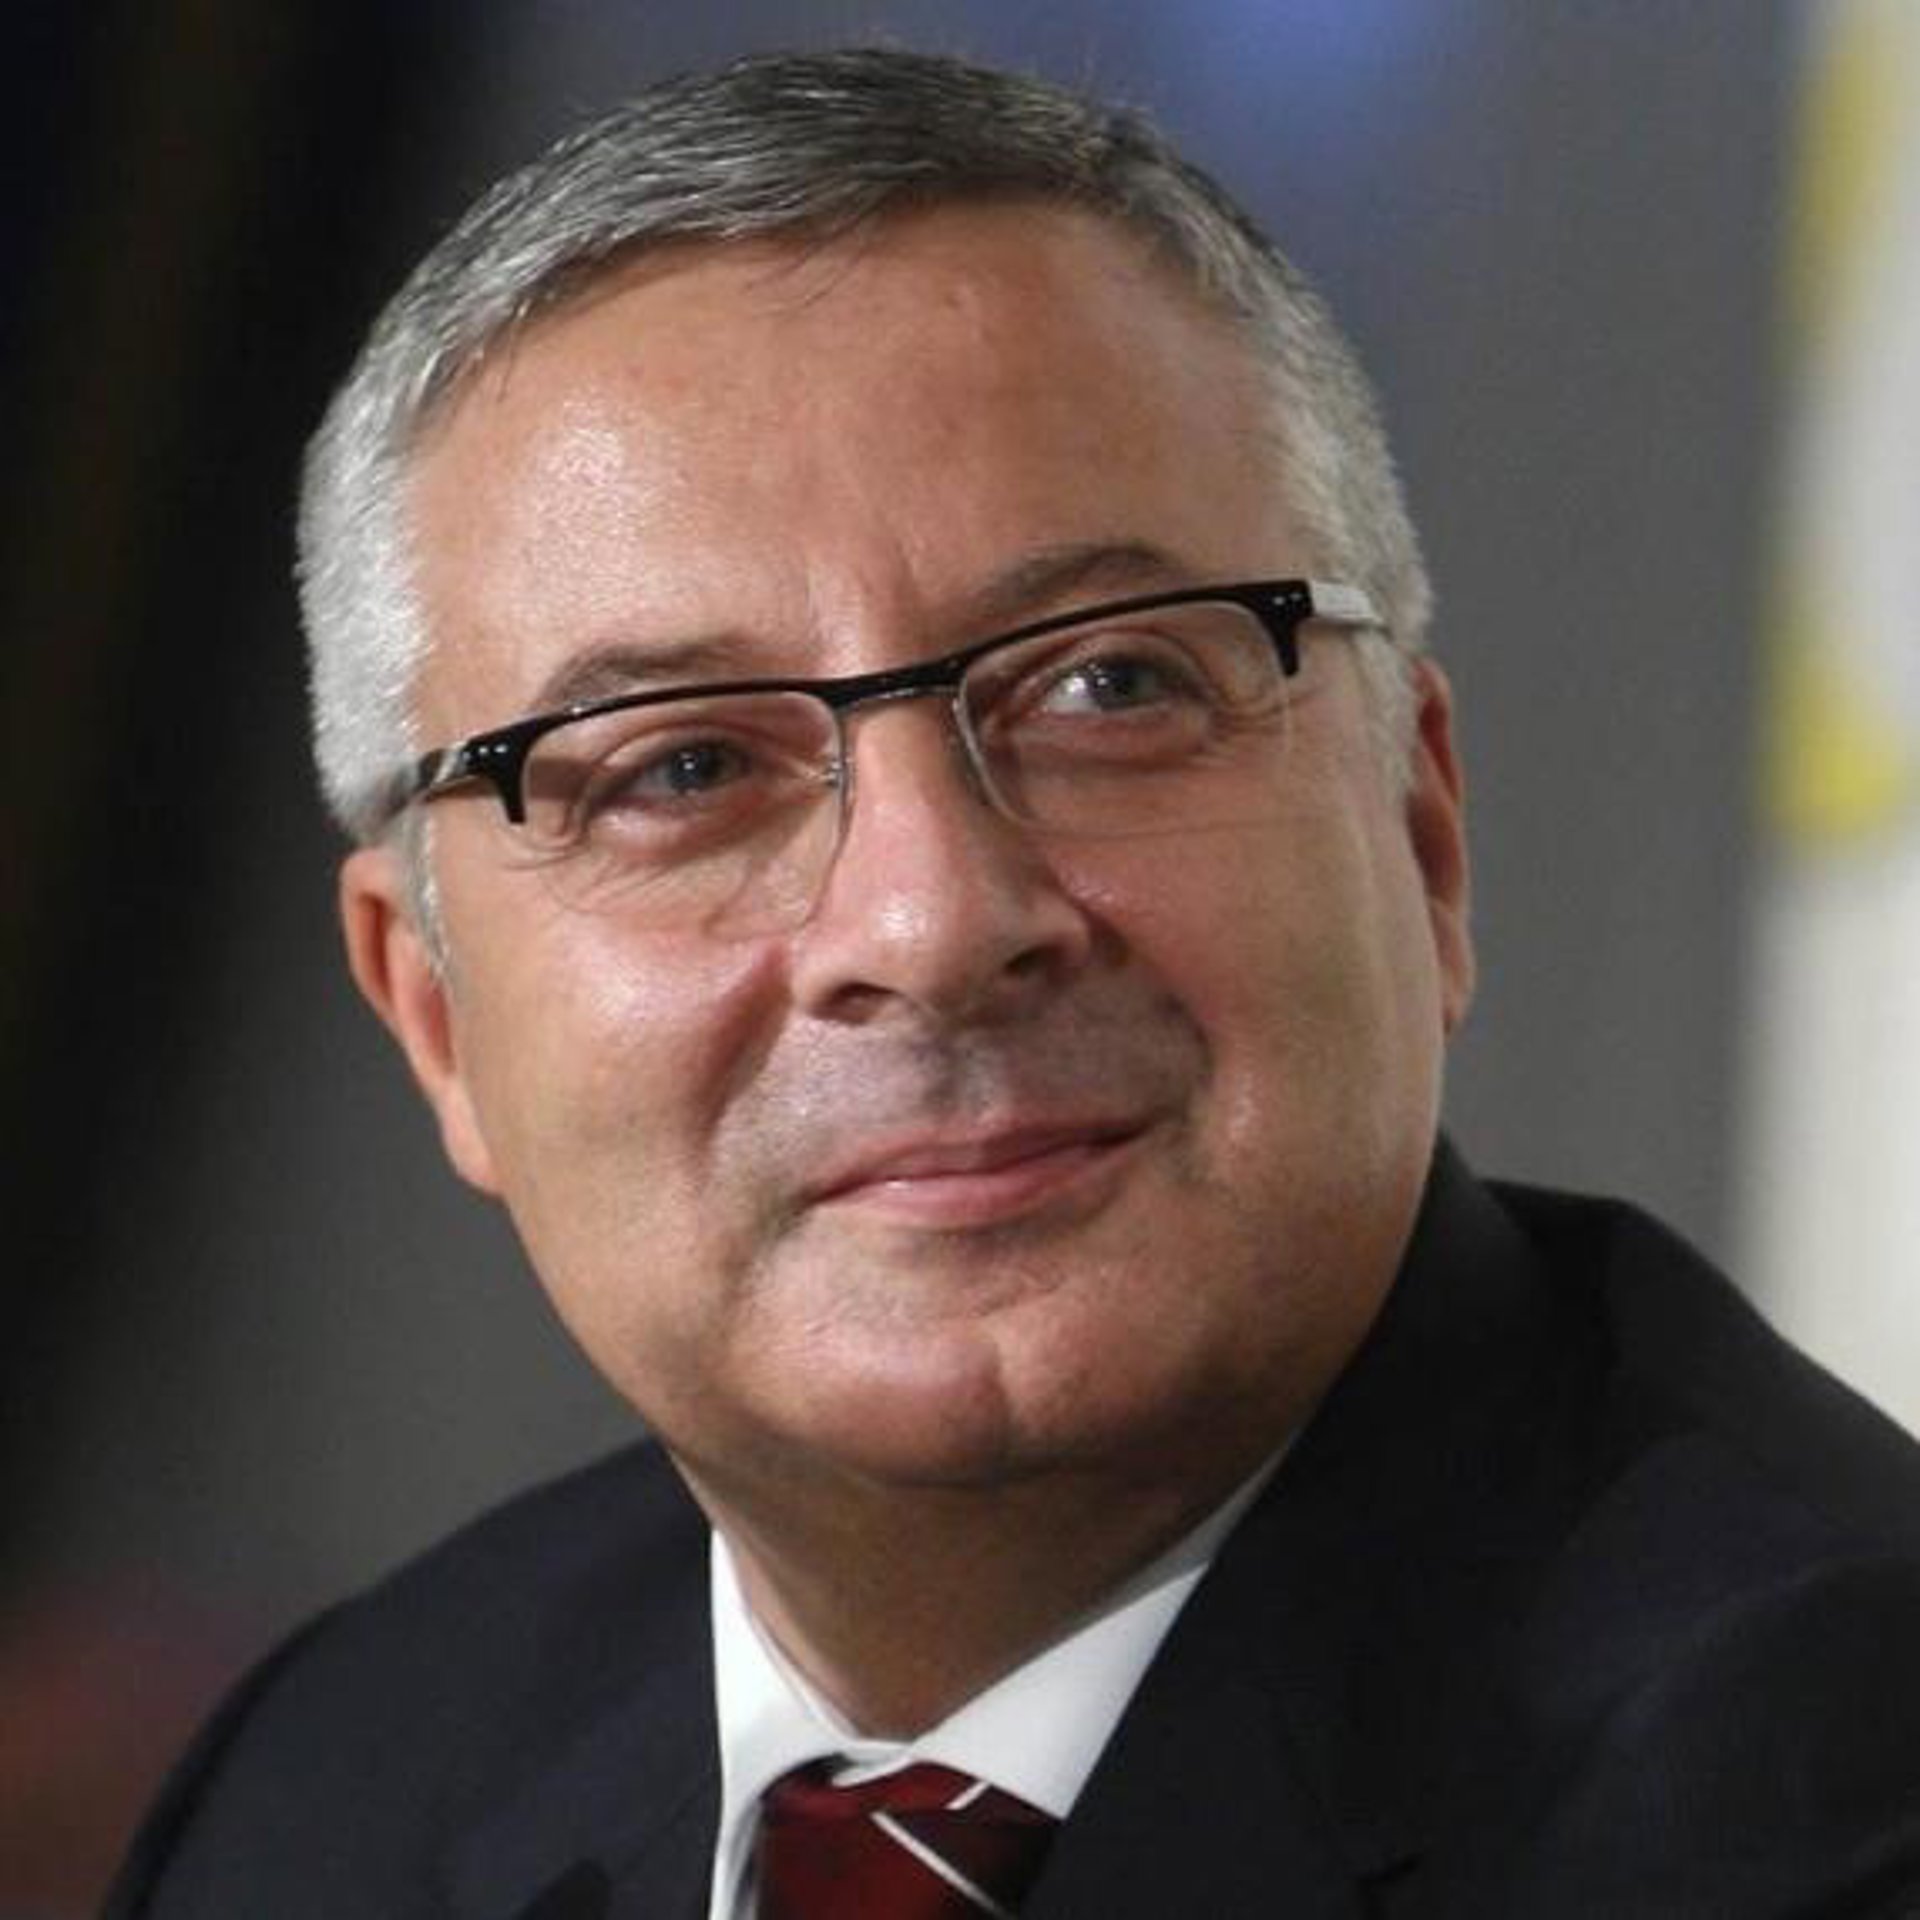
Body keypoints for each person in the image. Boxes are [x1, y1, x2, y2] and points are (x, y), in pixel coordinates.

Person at [107, 47, 1920, 1920]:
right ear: (434, 1017)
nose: (929, 921)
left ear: (1422, 832)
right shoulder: (332, 1794)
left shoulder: (1830, 1807)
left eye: (1109, 686)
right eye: (683, 768)